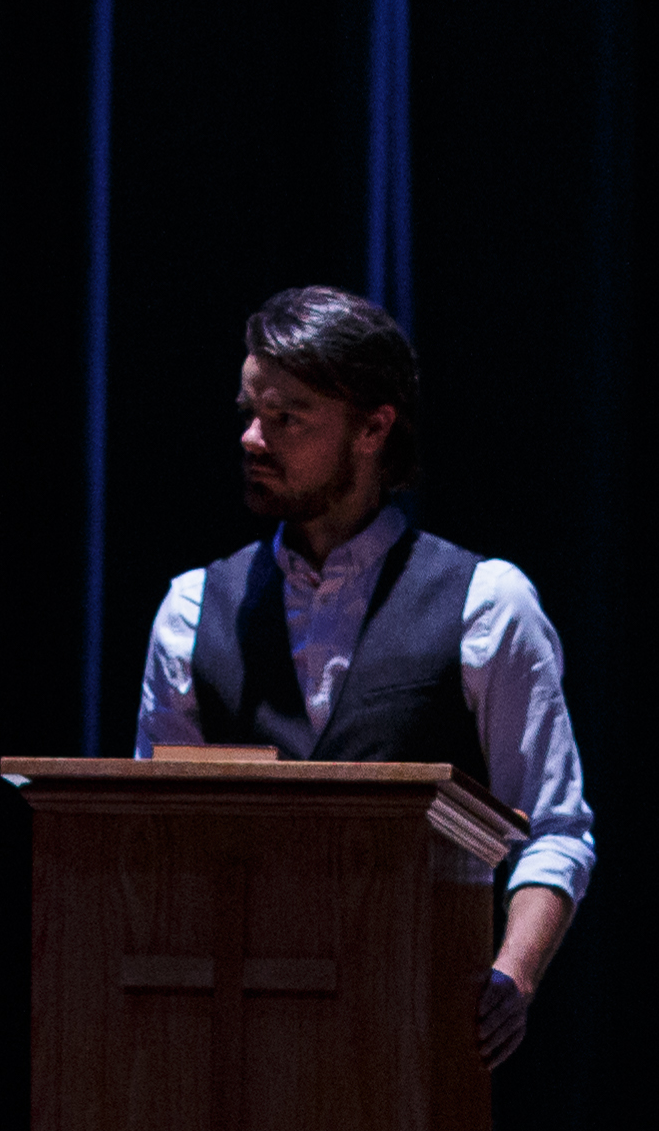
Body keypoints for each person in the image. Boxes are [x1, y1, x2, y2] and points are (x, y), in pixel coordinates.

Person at [133, 285, 596, 1061]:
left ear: (373, 428)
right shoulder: (192, 607)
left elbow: (551, 829)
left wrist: (510, 978)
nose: (251, 437)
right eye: (249, 411)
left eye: (286, 417)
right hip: (233, 1047)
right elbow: (154, 833)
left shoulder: (486, 603)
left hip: (420, 1035)